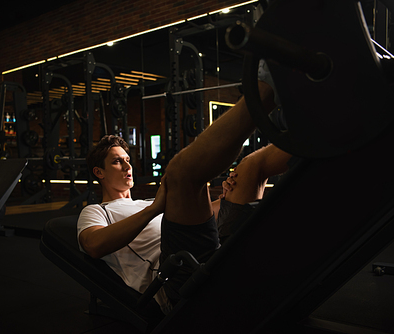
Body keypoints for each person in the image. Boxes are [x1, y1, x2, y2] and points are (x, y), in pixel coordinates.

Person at [78, 78, 291, 313]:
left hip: (212, 249)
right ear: (99, 172)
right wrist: (154, 209)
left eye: (128, 160)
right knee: (178, 173)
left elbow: (199, 223)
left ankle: (319, 132)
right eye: (117, 162)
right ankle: (267, 88)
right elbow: (93, 245)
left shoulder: (148, 202)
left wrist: (226, 198)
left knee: (250, 166)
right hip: (177, 277)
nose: (128, 167)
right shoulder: (97, 211)